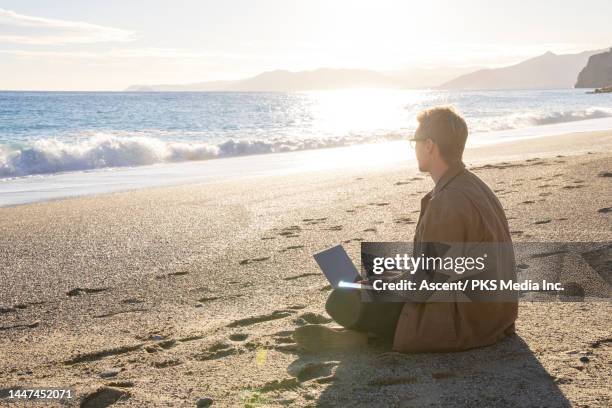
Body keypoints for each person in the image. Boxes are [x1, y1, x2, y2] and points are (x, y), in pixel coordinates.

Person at [294, 106, 518, 353]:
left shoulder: (449, 201)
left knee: (341, 300)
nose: (415, 149)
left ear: (430, 145)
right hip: (493, 311)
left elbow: (428, 286)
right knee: (377, 273)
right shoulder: (473, 185)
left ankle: (363, 336)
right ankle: (367, 311)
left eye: (415, 142)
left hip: (466, 319)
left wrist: (378, 289)